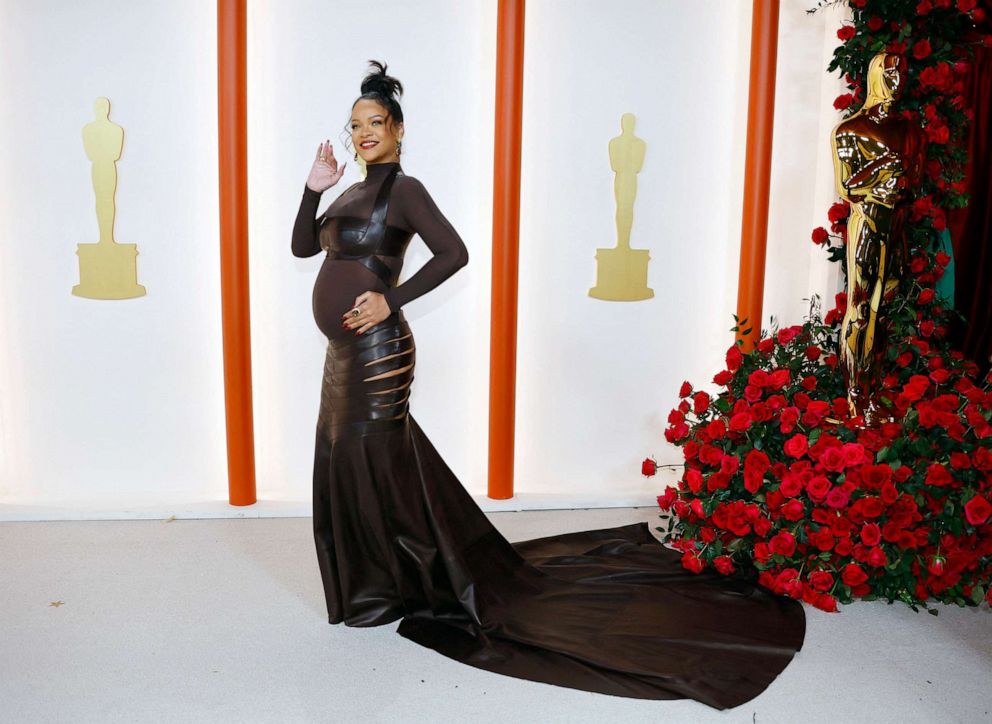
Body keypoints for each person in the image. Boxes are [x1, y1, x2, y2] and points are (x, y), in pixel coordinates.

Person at [292, 60, 805, 710]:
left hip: (379, 350)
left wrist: (390, 300)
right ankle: (381, 586)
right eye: (356, 126)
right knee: (349, 458)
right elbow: (302, 249)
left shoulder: (406, 190)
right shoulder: (346, 194)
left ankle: (411, 584)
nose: (364, 134)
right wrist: (313, 189)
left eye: (375, 123)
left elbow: (455, 254)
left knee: (376, 458)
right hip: (342, 353)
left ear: (397, 128)